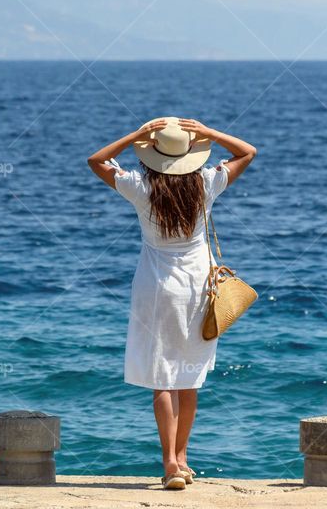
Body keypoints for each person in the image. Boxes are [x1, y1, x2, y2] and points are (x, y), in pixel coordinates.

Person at [87, 117, 257, 490]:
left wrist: (134, 135)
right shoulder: (207, 183)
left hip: (155, 288)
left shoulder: (139, 186)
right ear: (191, 155)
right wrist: (210, 133)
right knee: (188, 377)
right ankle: (182, 458)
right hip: (197, 289)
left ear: (152, 155)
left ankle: (168, 464)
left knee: (162, 379)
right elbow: (248, 152)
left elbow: (96, 161)